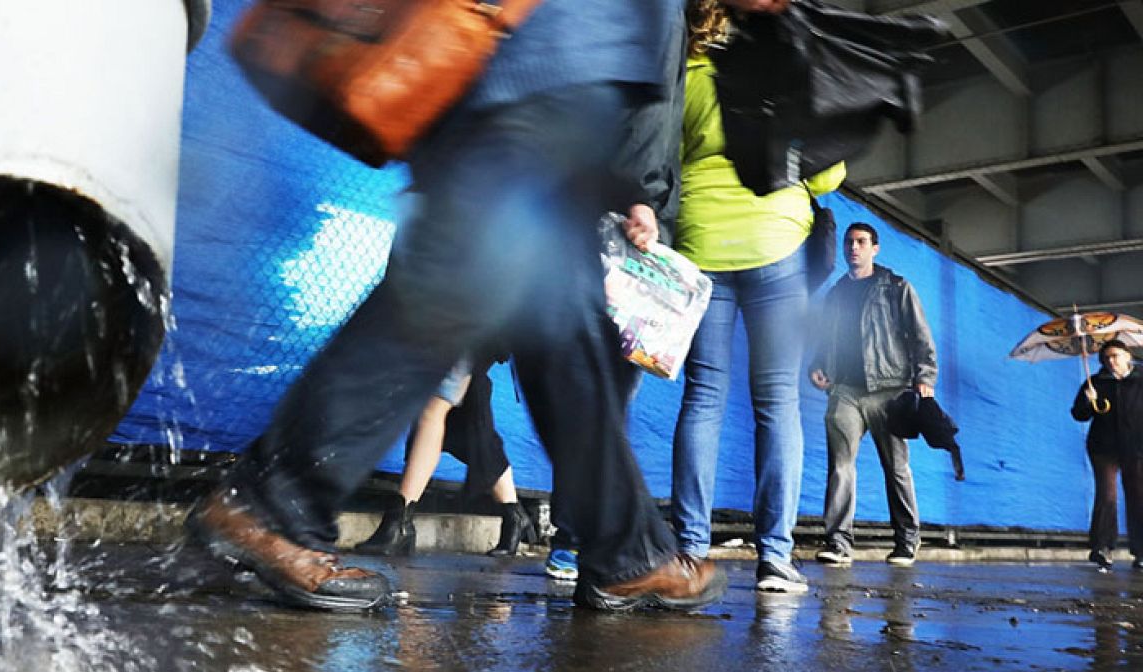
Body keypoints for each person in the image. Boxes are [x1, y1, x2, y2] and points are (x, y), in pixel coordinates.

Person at [188, 0, 797, 613]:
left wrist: (629, 183)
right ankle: (271, 504)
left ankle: (626, 551)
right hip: (541, 79)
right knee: (454, 286)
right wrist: (638, 182)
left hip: (534, 78)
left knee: (560, 327)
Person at [670, 0, 845, 595]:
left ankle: (691, 550)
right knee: (777, 404)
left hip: (700, 243)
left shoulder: (688, 68)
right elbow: (826, 176)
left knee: (703, 400)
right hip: (775, 242)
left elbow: (668, 156)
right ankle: (775, 557)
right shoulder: (784, 73)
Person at [809, 222, 938, 567]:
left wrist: (924, 376)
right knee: (840, 468)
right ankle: (838, 543)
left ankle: (906, 542)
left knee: (896, 468)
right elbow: (824, 339)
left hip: (890, 390)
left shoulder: (897, 288)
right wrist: (818, 365)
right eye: (849, 242)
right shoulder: (836, 294)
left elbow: (921, 337)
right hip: (845, 391)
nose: (854, 247)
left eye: (861, 242)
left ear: (875, 248)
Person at [354, 355, 538, 557]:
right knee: (467, 423)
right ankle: (514, 515)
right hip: (454, 330)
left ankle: (399, 523)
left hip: (473, 330)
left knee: (434, 405)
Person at [1071, 339, 1143, 572]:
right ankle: (1102, 548)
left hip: (1137, 447)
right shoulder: (1095, 383)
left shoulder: (1140, 380)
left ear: (1127, 356)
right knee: (1107, 495)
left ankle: (1141, 552)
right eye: (1106, 358)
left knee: (1138, 497)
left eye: (1115, 356)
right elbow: (1079, 415)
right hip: (1104, 448)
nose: (1111, 361)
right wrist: (1088, 401)